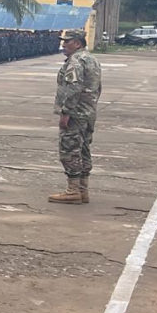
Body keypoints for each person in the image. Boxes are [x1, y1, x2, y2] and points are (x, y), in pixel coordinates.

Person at [49, 29, 101, 204]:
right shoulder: (91, 59)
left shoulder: (76, 61)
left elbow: (73, 88)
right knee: (84, 149)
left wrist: (66, 112)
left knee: (70, 150)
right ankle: (82, 189)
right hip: (88, 112)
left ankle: (72, 191)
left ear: (77, 43)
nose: (63, 45)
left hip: (75, 114)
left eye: (67, 42)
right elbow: (97, 88)